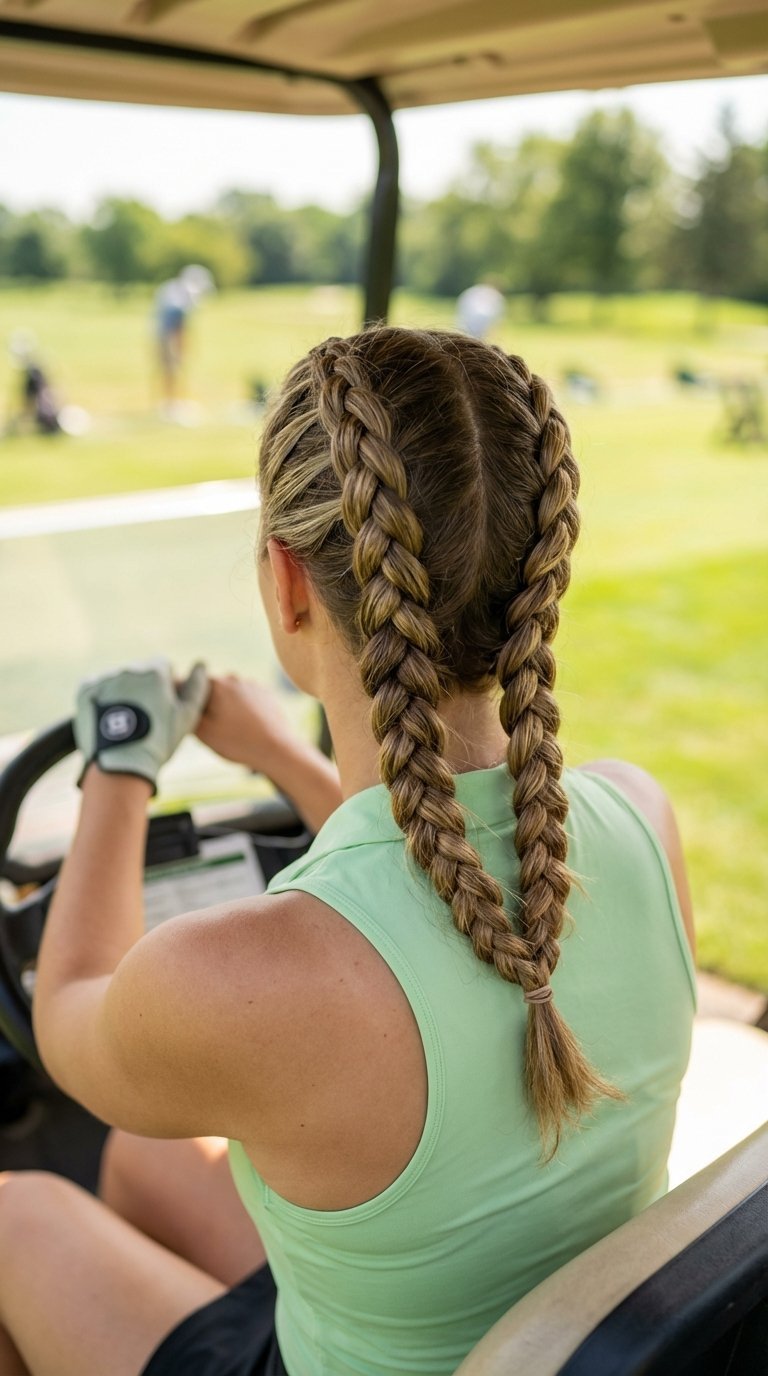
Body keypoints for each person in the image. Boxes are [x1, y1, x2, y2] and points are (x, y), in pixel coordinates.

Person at [0, 328, 696, 1376]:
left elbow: (70, 1012)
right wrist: (283, 752)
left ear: (287, 582)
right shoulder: (642, 820)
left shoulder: (240, 980)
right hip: (536, 1339)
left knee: (17, 1215)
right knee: (149, 1151)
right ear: (535, 574)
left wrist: (121, 765)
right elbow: (438, 905)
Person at [153, 264, 215, 414]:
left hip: (162, 334)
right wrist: (180, 347)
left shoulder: (172, 289)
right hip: (167, 336)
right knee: (172, 369)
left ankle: (173, 402)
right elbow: (177, 326)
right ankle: (171, 404)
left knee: (171, 369)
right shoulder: (183, 296)